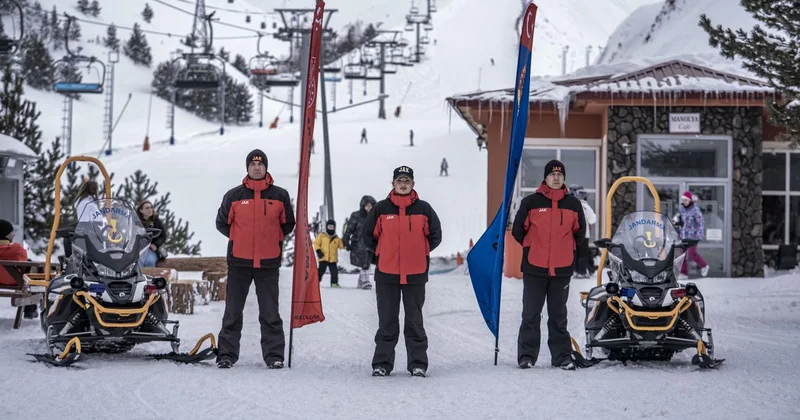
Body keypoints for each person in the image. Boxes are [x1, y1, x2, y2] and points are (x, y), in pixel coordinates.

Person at [215, 149, 295, 369]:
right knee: (233, 311)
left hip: (268, 263)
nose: (257, 167)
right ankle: (226, 355)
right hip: (239, 262)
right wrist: (239, 238)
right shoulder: (234, 196)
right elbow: (222, 223)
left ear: (266, 167)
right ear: (247, 168)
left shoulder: (279, 195)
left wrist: (272, 239)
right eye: (253, 164)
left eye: (260, 164)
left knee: (270, 312)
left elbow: (288, 224)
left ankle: (274, 356)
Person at [362, 166, 442, 378]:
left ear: (413, 184)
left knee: (414, 321)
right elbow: (368, 236)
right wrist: (382, 253)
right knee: (387, 321)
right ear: (393, 184)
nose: (403, 184)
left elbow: (435, 236)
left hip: (415, 274)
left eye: (407, 180)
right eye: (400, 180)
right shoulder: (381, 209)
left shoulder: (424, 209)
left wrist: (420, 252)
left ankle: (418, 364)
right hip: (387, 274)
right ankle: (382, 364)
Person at [511, 159, 585, 370]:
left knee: (558, 316)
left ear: (563, 178)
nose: (556, 178)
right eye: (552, 175)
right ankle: (526, 356)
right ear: (545, 177)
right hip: (535, 267)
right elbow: (518, 230)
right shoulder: (531, 202)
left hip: (561, 269)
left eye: (559, 175)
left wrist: (568, 251)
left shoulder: (573, 204)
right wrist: (531, 246)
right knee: (531, 314)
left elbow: (580, 234)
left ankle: (562, 357)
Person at [0, 219, 37, 319]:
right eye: (11, 232)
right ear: (5, 234)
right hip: (15, 281)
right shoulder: (15, 250)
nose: (14, 234)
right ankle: (30, 310)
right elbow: (24, 258)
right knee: (32, 269)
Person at [343, 195, 378, 290]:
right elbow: (349, 229)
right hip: (359, 243)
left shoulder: (376, 216)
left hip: (371, 243)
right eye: (367, 206)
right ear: (363, 206)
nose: (369, 208)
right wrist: (346, 240)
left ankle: (361, 282)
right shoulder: (356, 216)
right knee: (365, 263)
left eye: (371, 206)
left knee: (367, 262)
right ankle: (365, 282)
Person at [676, 191, 709, 278]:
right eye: (683, 200)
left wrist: (699, 234)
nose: (684, 202)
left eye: (686, 200)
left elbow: (701, 222)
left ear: (690, 200)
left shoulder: (695, 210)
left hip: (693, 236)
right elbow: (678, 218)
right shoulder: (681, 209)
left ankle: (704, 265)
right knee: (682, 254)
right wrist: (675, 221)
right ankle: (683, 273)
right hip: (683, 235)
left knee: (691, 254)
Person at [569, 185, 596, 279]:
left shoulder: (572, 205)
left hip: (573, 234)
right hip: (584, 234)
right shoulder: (586, 207)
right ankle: (582, 272)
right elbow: (593, 219)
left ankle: (575, 271)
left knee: (575, 253)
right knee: (583, 254)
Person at [137, 200, 168, 267]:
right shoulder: (136, 222)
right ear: (141, 210)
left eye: (151, 207)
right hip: (137, 249)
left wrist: (156, 245)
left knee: (149, 262)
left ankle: (149, 277)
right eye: (147, 208)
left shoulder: (156, 221)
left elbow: (163, 236)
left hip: (151, 249)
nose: (150, 209)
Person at [314, 219, 344, 288]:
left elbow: (341, 246)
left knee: (334, 272)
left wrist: (346, 245)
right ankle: (315, 282)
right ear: (327, 227)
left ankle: (334, 283)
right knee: (320, 271)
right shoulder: (322, 235)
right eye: (329, 227)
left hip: (332, 259)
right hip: (323, 257)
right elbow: (316, 243)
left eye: (332, 227)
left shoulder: (337, 238)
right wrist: (318, 251)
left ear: (334, 228)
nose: (331, 228)